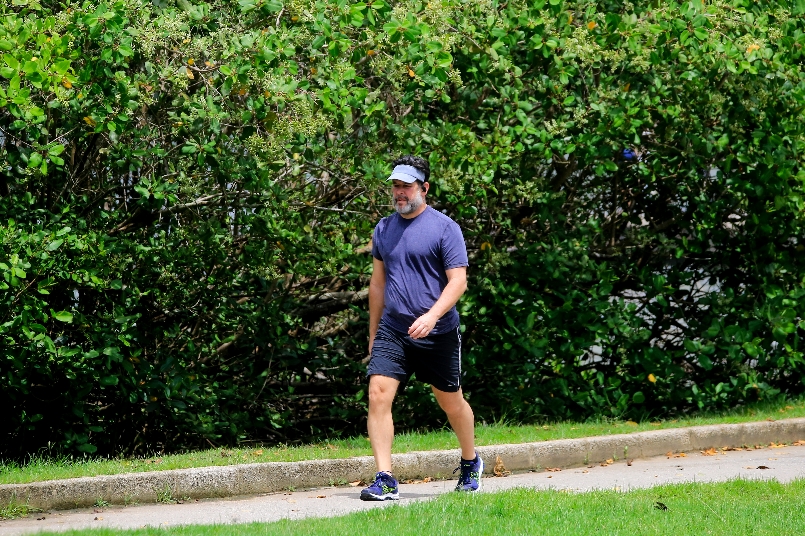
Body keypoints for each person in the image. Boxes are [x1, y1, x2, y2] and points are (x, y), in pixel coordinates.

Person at [359, 155, 483, 501]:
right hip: (394, 330)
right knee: (378, 394)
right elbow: (378, 286)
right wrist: (373, 335)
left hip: (437, 332)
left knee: (450, 401)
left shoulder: (445, 228)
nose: (399, 193)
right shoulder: (384, 229)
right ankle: (385, 478)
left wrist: (431, 317)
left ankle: (471, 462)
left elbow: (458, 282)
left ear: (424, 188)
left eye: (406, 186)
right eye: (395, 186)